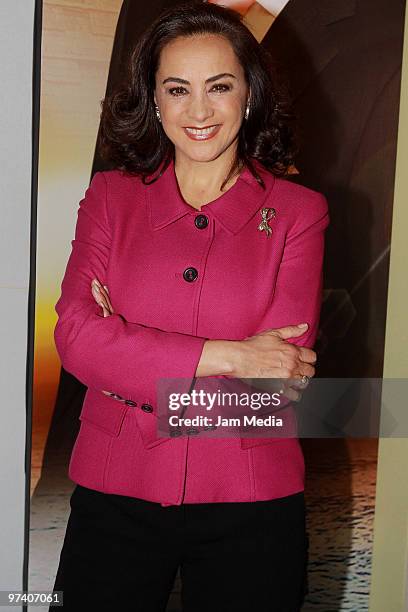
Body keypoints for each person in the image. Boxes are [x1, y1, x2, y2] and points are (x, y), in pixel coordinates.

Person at [50, 2, 329, 611]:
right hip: (113, 494)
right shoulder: (109, 198)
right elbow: (75, 337)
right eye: (177, 89)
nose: (198, 111)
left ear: (250, 94)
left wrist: (124, 365)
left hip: (252, 499)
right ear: (154, 100)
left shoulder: (299, 213)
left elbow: (271, 385)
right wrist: (228, 355)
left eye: (219, 87)